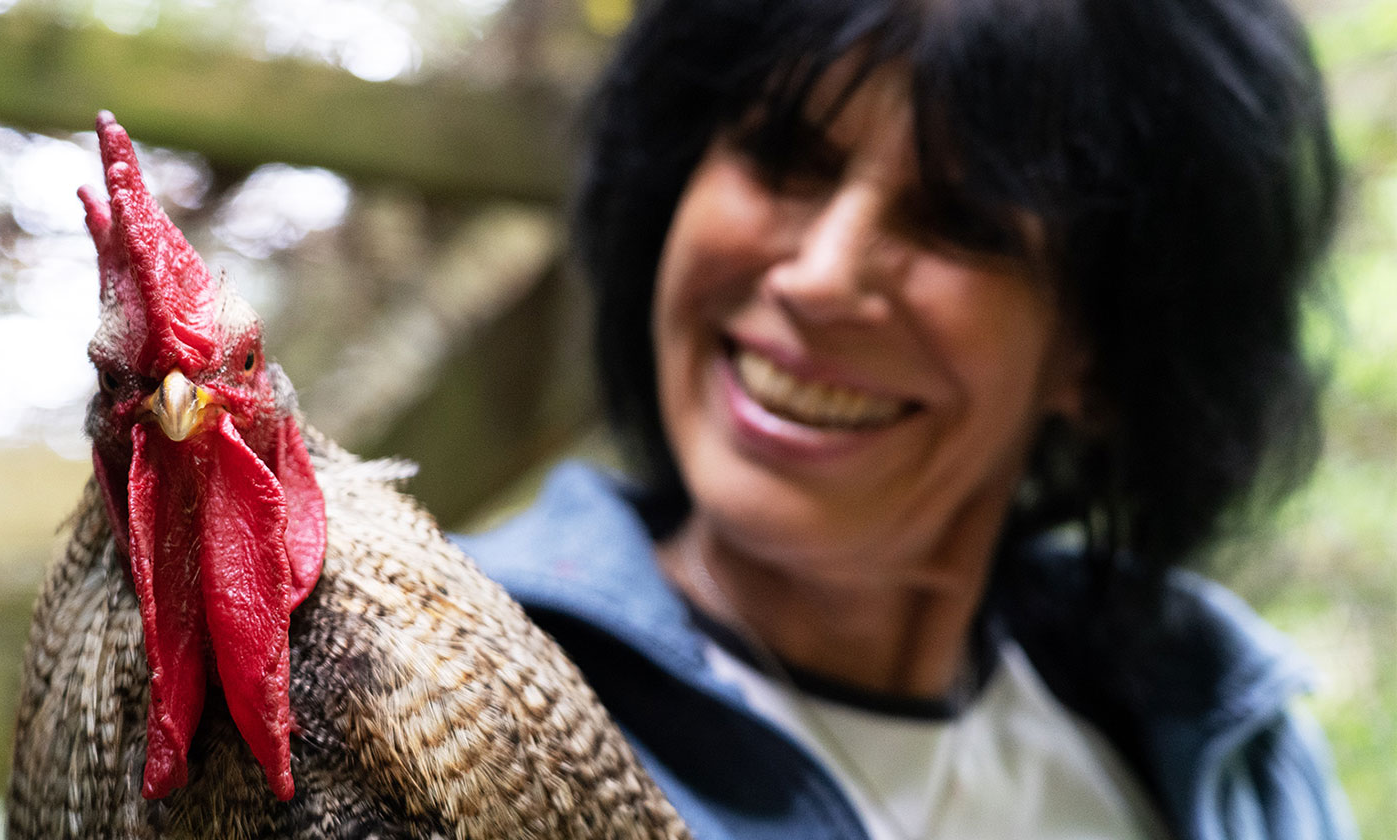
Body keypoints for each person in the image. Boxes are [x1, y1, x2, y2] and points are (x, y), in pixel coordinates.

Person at [456, 0, 1357, 837]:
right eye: (783, 157)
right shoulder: (427, 696)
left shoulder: (1223, 739)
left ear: (1105, 355)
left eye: (959, 221)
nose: (821, 276)